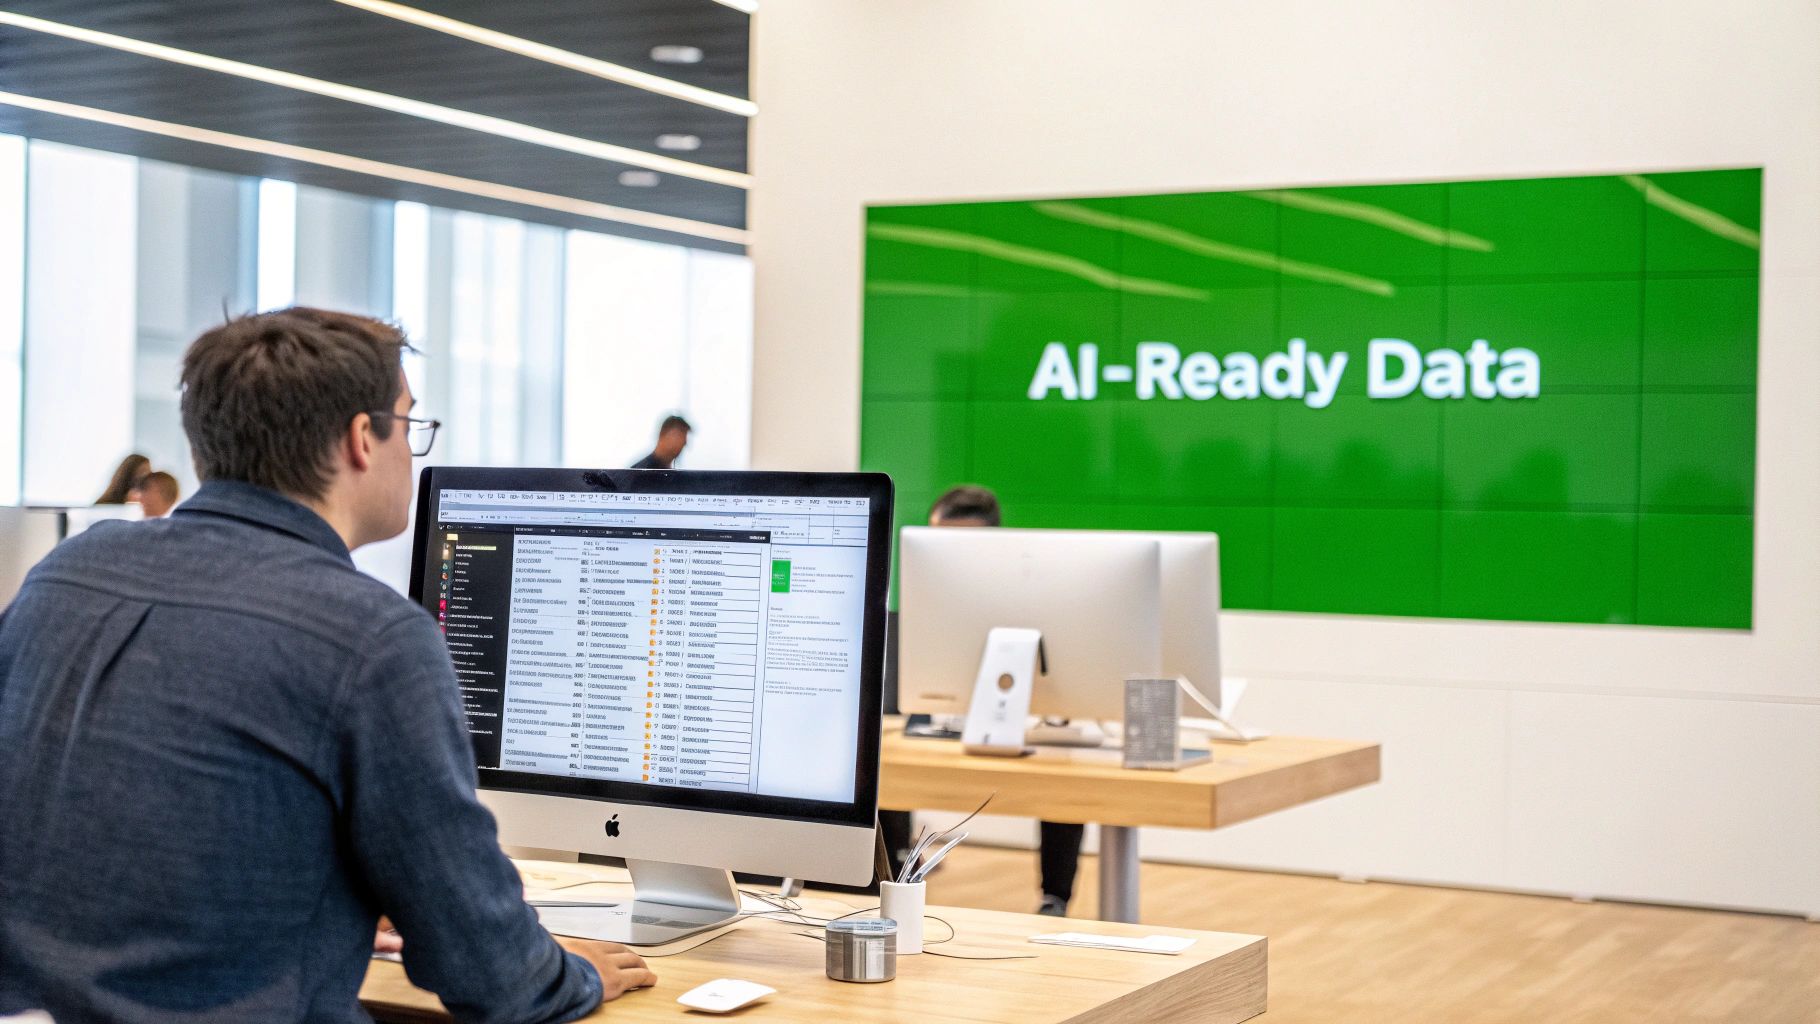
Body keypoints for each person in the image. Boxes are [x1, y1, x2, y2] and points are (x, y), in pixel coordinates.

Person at [0, 308, 653, 1022]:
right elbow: (492, 973)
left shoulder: (67, 574)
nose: (414, 449)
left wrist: (337, 890)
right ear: (361, 439)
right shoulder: (370, 638)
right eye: (408, 423)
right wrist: (573, 974)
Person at [879, 485, 1086, 917]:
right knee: (878, 756)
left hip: (1016, 719)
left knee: (1066, 775)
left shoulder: (1037, 610)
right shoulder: (913, 618)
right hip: (926, 716)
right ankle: (891, 871)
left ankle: (1055, 897)